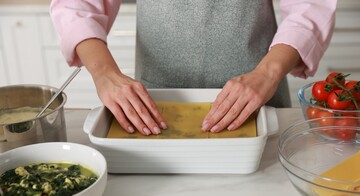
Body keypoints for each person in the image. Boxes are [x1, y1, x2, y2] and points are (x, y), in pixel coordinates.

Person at [50, 0, 336, 136]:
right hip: (152, 105)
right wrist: (104, 73)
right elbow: (78, 6)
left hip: (258, 98)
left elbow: (310, 6)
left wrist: (268, 73)